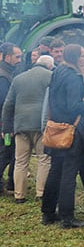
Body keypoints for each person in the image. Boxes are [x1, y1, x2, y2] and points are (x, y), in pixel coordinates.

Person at [40, 44, 84, 228]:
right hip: (70, 132)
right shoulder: (73, 77)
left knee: (55, 172)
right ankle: (67, 217)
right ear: (75, 57)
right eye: (82, 56)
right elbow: (73, 107)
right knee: (68, 175)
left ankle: (48, 213)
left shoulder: (58, 72)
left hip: (57, 128)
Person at [2, 55, 54, 203]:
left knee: (21, 161)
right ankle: (41, 193)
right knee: (43, 159)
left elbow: (8, 105)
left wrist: (7, 127)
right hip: (40, 124)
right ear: (49, 66)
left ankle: (19, 195)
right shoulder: (50, 76)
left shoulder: (18, 78)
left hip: (20, 125)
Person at [0, 42, 23, 191]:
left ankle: (11, 182)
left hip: (5, 122)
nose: (20, 60)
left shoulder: (7, 73)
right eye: (17, 56)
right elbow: (4, 102)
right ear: (7, 57)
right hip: (5, 124)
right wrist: (7, 126)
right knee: (6, 152)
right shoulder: (3, 77)